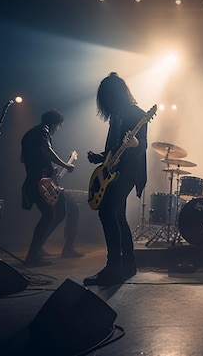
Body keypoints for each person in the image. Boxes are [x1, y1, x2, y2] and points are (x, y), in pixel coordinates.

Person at [83, 72, 148, 286]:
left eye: (109, 97)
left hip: (129, 171)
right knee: (118, 216)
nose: (107, 102)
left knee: (107, 211)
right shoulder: (116, 116)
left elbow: (142, 145)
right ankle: (128, 265)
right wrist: (100, 157)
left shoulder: (137, 113)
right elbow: (113, 149)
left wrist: (134, 144)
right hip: (113, 170)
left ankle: (113, 268)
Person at [20, 109, 79, 266]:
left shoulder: (29, 134)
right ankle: (32, 255)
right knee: (50, 215)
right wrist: (65, 164)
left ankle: (37, 249)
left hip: (36, 179)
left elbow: (22, 159)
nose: (58, 129)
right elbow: (47, 150)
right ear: (54, 124)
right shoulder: (42, 132)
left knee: (58, 213)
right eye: (59, 126)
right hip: (41, 182)